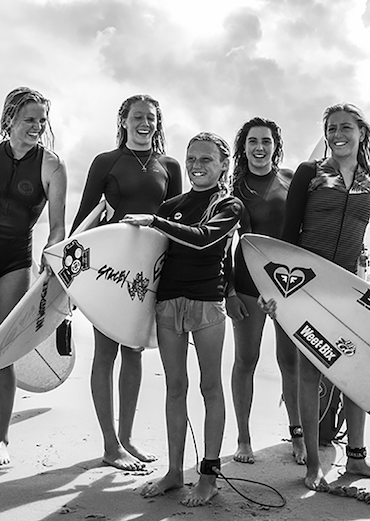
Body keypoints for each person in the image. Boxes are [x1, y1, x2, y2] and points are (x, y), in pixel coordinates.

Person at [261, 103, 370, 491]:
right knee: (310, 372)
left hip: (350, 288)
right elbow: (287, 236)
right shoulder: (311, 174)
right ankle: (314, 464)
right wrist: (276, 289)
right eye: (331, 128)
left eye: (346, 127)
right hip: (307, 288)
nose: (337, 134)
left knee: (356, 372)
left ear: (362, 132)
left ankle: (356, 459)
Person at [127, 132, 243, 506]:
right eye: (191, 158)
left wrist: (156, 222)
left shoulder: (229, 204)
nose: (196, 165)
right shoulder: (173, 204)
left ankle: (208, 474)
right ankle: (175, 472)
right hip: (168, 303)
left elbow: (204, 239)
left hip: (207, 303)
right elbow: (150, 259)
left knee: (211, 387)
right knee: (175, 387)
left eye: (206, 159)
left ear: (223, 164)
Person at [0, 87, 67, 467]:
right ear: (10, 120)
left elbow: (57, 228)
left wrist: (49, 265)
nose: (37, 126)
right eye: (29, 119)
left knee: (2, 354)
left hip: (15, 262)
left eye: (41, 120)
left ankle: (2, 439)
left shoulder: (52, 166)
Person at [70, 94, 182, 471]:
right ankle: (109, 444)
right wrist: (68, 271)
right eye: (137, 116)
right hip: (108, 268)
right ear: (124, 120)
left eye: (150, 117)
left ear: (157, 122)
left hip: (146, 271)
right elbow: (84, 218)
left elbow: (176, 218)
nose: (144, 123)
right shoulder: (107, 161)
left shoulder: (169, 165)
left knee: (133, 349)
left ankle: (127, 437)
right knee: (105, 352)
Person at [225, 117, 303, 465]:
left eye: (266, 141)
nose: (260, 147)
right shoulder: (234, 188)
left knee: (291, 362)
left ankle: (298, 435)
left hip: (289, 286)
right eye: (253, 141)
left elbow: (305, 232)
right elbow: (226, 244)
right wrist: (227, 290)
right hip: (247, 285)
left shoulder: (291, 180)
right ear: (244, 147)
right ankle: (243, 438)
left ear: (275, 145)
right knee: (246, 360)